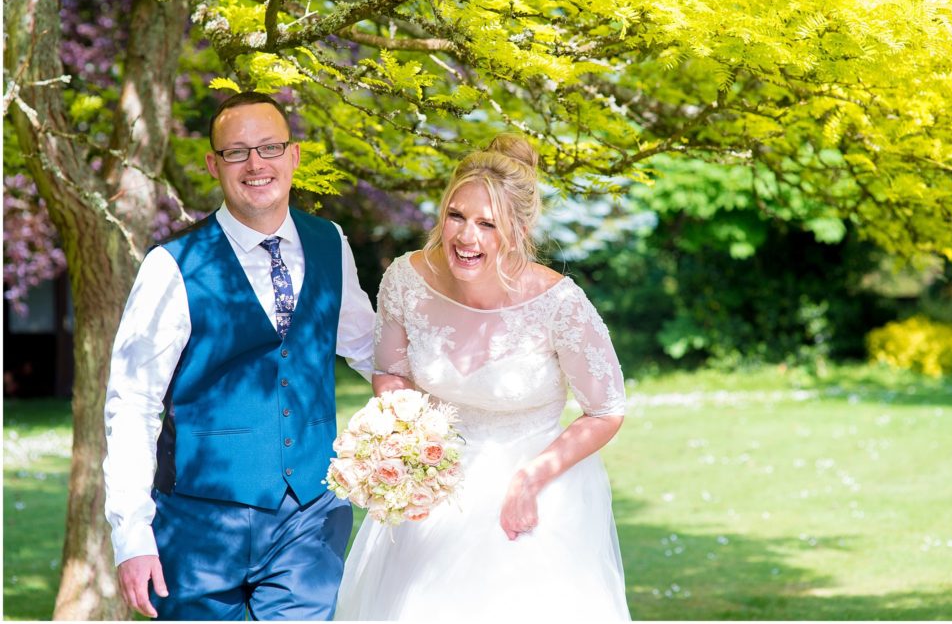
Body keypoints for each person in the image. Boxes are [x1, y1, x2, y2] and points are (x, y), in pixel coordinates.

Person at [103, 91, 376, 620]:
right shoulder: (171, 266)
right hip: (199, 527)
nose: (256, 164)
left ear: (293, 156)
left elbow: (367, 347)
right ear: (214, 164)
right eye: (237, 152)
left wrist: (431, 412)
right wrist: (131, 535)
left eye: (270, 147)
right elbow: (132, 404)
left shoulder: (330, 242)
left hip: (311, 519)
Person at [335, 134, 631, 620]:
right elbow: (392, 372)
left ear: (516, 231)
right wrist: (408, 452)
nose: (465, 237)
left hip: (536, 486)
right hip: (437, 484)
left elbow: (606, 410)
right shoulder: (406, 280)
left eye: (487, 224)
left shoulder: (559, 303)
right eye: (456, 216)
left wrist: (530, 479)